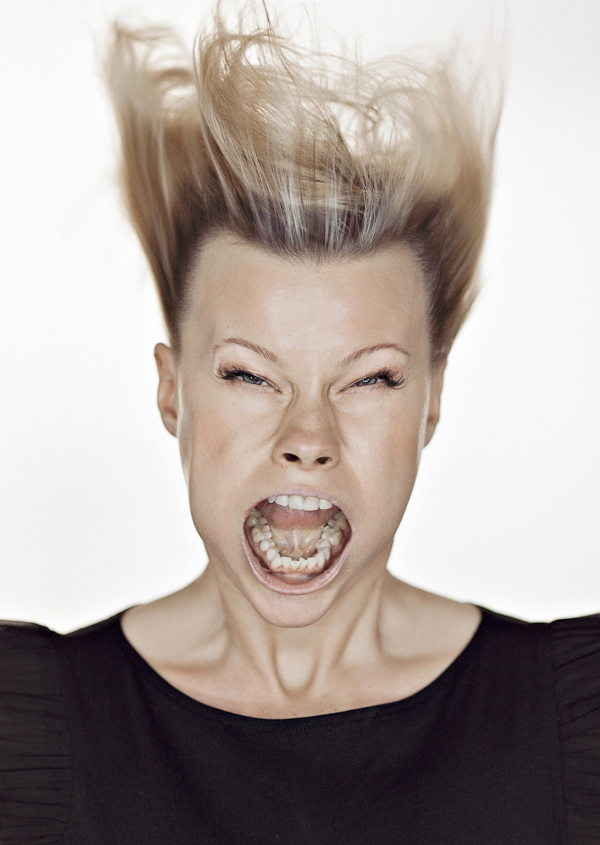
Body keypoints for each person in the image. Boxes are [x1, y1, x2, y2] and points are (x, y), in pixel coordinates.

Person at [0, 4, 598, 843]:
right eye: (249, 374)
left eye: (369, 379)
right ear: (172, 393)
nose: (308, 437)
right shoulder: (24, 733)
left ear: (430, 400)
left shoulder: (574, 725)